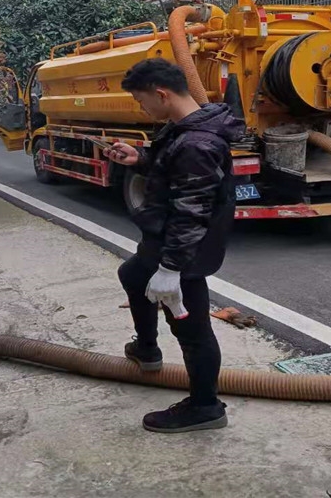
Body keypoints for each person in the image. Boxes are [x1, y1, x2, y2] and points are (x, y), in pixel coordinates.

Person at [105, 58, 245, 433]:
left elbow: (191, 212)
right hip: (165, 240)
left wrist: (171, 270)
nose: (141, 107)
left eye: (140, 100)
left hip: (182, 250)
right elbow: (176, 175)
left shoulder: (196, 142)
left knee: (192, 328)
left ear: (161, 94)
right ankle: (147, 348)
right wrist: (140, 159)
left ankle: (205, 407)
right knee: (132, 275)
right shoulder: (186, 129)